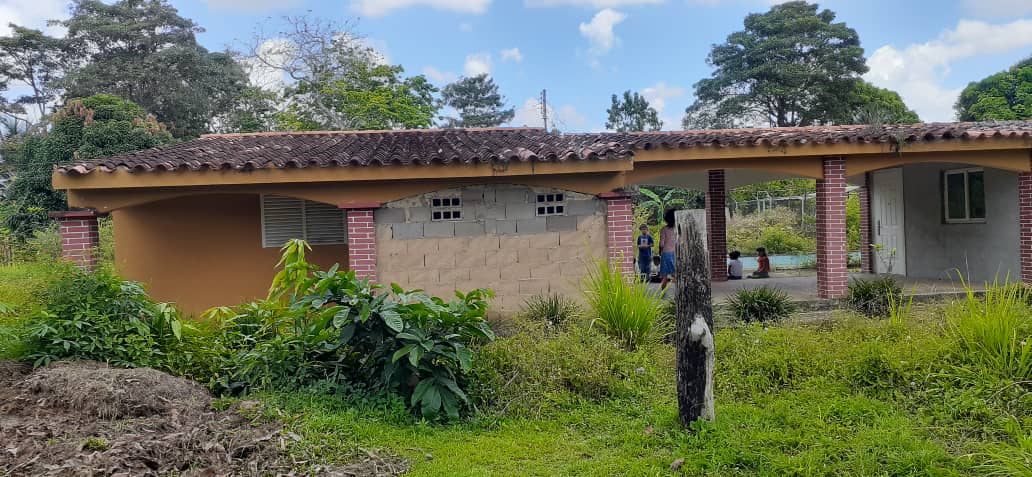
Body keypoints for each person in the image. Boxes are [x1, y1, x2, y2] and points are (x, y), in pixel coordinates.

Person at [659, 210, 676, 288]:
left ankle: (663, 293)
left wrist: (660, 251)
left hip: (666, 253)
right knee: (675, 274)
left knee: (664, 276)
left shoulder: (664, 229)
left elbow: (661, 244)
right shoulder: (676, 229)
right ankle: (680, 292)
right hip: (675, 254)